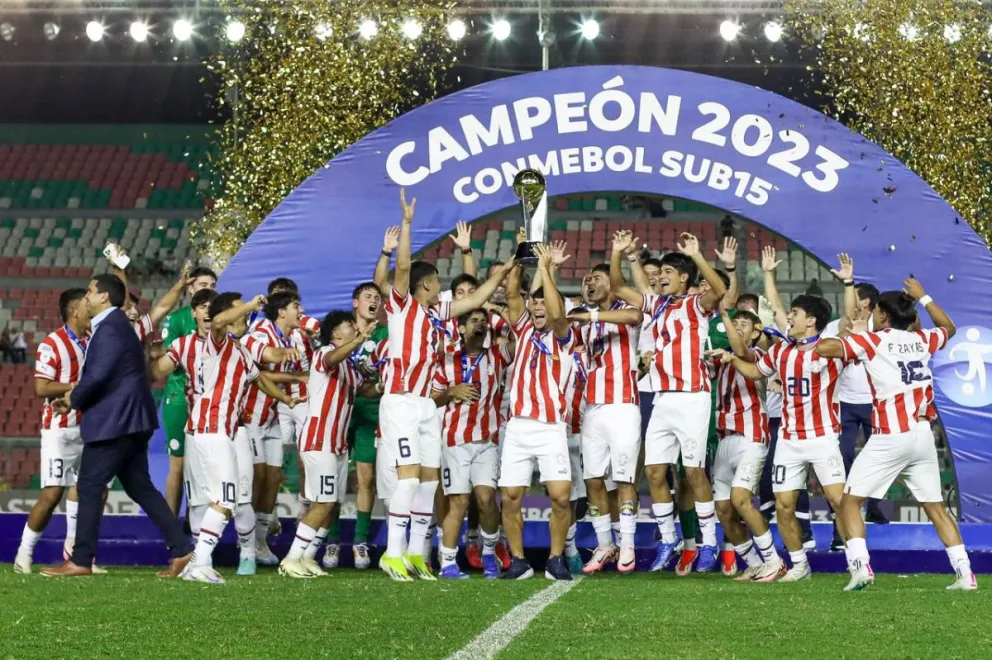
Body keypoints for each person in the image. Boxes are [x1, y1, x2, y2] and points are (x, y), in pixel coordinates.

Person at [378, 188, 513, 582]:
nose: (441, 287)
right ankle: (392, 553)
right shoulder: (403, 307)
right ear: (425, 286)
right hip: (401, 400)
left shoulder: (438, 312)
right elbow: (402, 271)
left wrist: (502, 275)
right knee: (408, 478)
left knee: (428, 480)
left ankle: (419, 554)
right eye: (436, 281)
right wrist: (406, 225)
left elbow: (477, 301)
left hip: (425, 405)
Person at [814, 281, 977, 591]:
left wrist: (852, 331)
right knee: (935, 507)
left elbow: (823, 349)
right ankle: (964, 574)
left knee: (849, 502)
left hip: (891, 435)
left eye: (876, 311)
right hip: (922, 434)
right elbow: (949, 327)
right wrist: (924, 297)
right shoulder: (923, 339)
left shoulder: (872, 341)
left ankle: (861, 568)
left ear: (884, 315)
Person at [40, 274, 193, 578]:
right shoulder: (116, 326)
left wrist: (73, 399)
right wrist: (74, 395)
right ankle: (182, 550)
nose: (86, 296)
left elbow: (98, 376)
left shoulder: (109, 328)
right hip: (132, 419)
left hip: (116, 421)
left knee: (88, 485)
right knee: (141, 487)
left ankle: (81, 559)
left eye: (90, 291)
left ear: (103, 298)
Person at [722, 254, 856, 582]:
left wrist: (848, 284)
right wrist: (731, 358)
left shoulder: (830, 349)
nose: (789, 318)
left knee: (839, 501)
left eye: (795, 314)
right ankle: (799, 565)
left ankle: (857, 563)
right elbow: (756, 370)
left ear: (810, 321)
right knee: (783, 505)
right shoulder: (782, 351)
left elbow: (850, 323)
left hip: (823, 437)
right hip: (789, 439)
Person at [609, 230, 727, 573]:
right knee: (654, 472)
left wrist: (698, 253)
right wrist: (617, 252)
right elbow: (618, 288)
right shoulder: (655, 306)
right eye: (658, 276)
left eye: (667, 275)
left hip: (692, 397)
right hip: (661, 398)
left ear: (684, 278)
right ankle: (668, 538)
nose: (660, 279)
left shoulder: (696, 305)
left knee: (692, 472)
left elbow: (718, 291)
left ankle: (708, 542)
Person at [179, 292, 305, 584]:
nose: (244, 317)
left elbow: (259, 379)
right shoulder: (217, 343)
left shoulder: (241, 350)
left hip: (222, 429)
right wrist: (250, 305)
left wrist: (286, 399)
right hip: (212, 426)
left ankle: (199, 561)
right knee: (225, 498)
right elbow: (219, 321)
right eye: (239, 312)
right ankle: (200, 562)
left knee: (226, 498)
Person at [499, 244, 576, 581]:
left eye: (544, 301)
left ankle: (555, 558)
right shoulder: (522, 328)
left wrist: (546, 269)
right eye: (536, 301)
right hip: (518, 427)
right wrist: (521, 257)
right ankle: (518, 561)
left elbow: (559, 314)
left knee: (560, 497)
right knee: (511, 496)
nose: (538, 306)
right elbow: (513, 290)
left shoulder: (564, 335)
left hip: (550, 427)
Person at [280, 311, 373, 578]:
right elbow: (333, 358)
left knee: (331, 504)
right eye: (349, 325)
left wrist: (381, 380)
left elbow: (362, 386)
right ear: (335, 333)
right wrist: (358, 342)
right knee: (322, 502)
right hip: (319, 440)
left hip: (337, 445)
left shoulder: (349, 366)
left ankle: (308, 557)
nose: (355, 328)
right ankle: (291, 558)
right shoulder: (324, 354)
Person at [566, 264, 643, 575]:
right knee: (593, 479)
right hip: (593, 408)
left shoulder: (627, 309)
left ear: (612, 285)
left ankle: (627, 545)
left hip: (624, 404)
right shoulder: (584, 319)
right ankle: (604, 543)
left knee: (624, 479)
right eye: (586, 279)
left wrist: (591, 315)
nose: (588, 282)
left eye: (596, 278)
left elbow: (634, 317)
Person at [432, 309, 513, 580]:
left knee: (487, 499)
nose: (480, 325)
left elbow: (519, 336)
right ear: (462, 328)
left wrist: (499, 312)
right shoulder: (446, 362)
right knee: (459, 502)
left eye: (484, 321)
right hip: (454, 441)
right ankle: (448, 563)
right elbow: (431, 400)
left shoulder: (498, 356)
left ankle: (489, 552)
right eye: (474, 321)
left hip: (487, 440)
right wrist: (450, 392)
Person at [14, 289, 91, 574]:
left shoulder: (91, 340)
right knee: (52, 494)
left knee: (88, 491)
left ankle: (76, 555)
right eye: (86, 303)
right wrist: (77, 388)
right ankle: (24, 553)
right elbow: (41, 388)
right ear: (73, 309)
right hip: (59, 431)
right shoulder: (52, 343)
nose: (89, 307)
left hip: (89, 428)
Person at [709, 305, 786, 582]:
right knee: (723, 509)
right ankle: (753, 563)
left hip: (751, 434)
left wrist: (725, 315)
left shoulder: (758, 356)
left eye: (744, 323)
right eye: (734, 322)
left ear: (755, 333)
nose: (737, 326)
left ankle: (774, 561)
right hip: (725, 437)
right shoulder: (721, 359)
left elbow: (740, 351)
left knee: (741, 500)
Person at [822, 282, 889, 552]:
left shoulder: (882, 328)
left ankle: (874, 504)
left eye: (858, 300)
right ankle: (842, 525)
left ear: (869, 303)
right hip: (844, 403)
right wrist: (848, 283)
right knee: (841, 459)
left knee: (882, 455)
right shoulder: (838, 326)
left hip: (875, 403)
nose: (853, 304)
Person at [242, 290, 307, 566]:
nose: (300, 310)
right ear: (281, 311)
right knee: (256, 478)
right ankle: (244, 543)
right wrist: (291, 369)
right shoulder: (260, 330)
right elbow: (259, 368)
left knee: (273, 477)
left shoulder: (292, 336)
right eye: (296, 306)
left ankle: (259, 542)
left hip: (271, 415)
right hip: (250, 417)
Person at [159, 266, 218, 514]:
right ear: (191, 287)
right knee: (178, 464)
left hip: (211, 401)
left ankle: (197, 524)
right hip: (180, 397)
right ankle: (171, 523)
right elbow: (166, 360)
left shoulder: (221, 321)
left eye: (213, 286)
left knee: (206, 465)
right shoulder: (176, 319)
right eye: (203, 285)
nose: (209, 290)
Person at [344, 281, 388, 569]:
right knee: (331, 476)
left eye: (377, 298)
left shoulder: (385, 334)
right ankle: (331, 539)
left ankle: (359, 540)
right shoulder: (341, 331)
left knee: (366, 477)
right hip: (338, 412)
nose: (373, 301)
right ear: (355, 303)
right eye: (367, 297)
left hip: (369, 412)